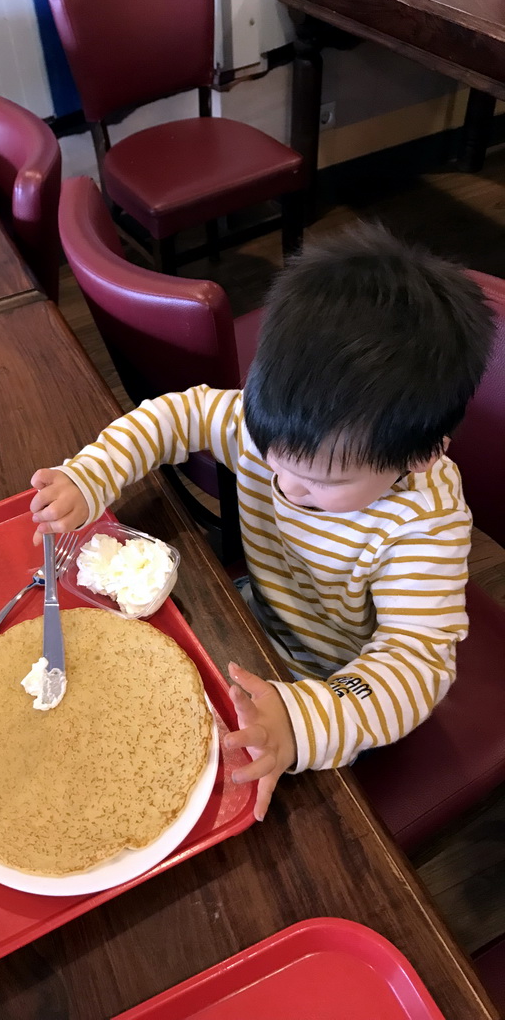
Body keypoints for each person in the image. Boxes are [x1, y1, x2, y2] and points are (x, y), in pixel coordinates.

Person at [29, 224, 494, 821]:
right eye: (274, 454)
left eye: (325, 483)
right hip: (252, 621)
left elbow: (414, 665)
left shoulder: (423, 524)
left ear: (422, 454)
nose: (288, 485)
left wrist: (300, 724)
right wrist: (91, 475)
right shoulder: (276, 430)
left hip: (332, 690)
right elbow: (177, 414)